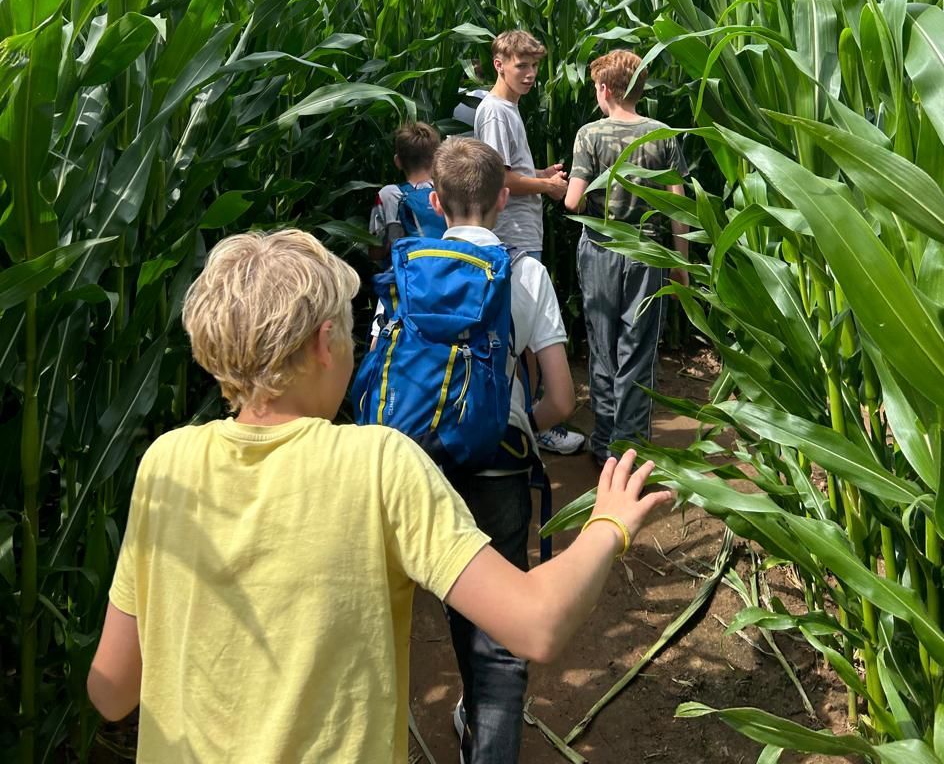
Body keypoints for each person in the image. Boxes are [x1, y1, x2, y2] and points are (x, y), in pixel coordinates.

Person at [86, 229, 670, 764]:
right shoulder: (378, 464)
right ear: (323, 344)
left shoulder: (165, 463)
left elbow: (110, 691)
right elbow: (536, 624)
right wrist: (608, 526)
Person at [428, 137, 580, 763]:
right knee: (502, 635)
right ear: (501, 199)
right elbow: (564, 401)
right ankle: (486, 728)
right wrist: (521, 425)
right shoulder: (525, 273)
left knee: (458, 598)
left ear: (435, 202)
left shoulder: (417, 268)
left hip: (427, 466)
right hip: (500, 465)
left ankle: (467, 706)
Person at [565, 50, 689, 466]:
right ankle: (632, 447)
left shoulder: (590, 135)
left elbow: (574, 200)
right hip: (647, 252)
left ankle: (605, 446)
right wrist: (680, 262)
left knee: (602, 349)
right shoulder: (662, 135)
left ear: (604, 89)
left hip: (601, 249)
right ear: (640, 88)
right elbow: (677, 207)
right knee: (638, 351)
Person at [473, 29, 584, 455]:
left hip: (520, 233)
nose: (531, 73)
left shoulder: (507, 110)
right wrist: (548, 189)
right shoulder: (497, 112)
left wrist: (537, 174)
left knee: (526, 334)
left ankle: (531, 419)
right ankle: (533, 424)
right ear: (499, 64)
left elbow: (508, 168)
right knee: (525, 337)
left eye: (535, 65)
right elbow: (498, 178)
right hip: (513, 237)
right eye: (522, 65)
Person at [369, 121, 445, 261]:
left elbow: (375, 252)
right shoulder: (449, 189)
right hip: (450, 271)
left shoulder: (389, 194)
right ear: (436, 159)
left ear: (397, 161)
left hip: (407, 278)